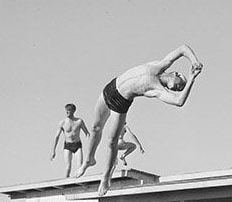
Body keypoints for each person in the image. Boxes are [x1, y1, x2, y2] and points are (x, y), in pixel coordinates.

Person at [77, 45, 203, 194]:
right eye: (180, 83)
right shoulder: (159, 65)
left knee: (112, 142)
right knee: (95, 127)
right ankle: (89, 160)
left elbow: (179, 102)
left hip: (120, 102)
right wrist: (194, 61)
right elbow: (182, 49)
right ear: (175, 73)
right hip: (111, 87)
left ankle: (105, 178)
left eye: (178, 89)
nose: (178, 88)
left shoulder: (157, 90)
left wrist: (191, 79)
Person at [50, 104, 90, 178]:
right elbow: (56, 137)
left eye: (68, 110)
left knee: (79, 167)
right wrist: (53, 151)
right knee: (68, 168)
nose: (67, 112)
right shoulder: (62, 123)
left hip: (77, 145)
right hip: (68, 146)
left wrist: (90, 146)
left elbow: (87, 134)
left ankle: (78, 182)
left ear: (73, 111)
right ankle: (66, 182)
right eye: (66, 111)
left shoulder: (79, 121)